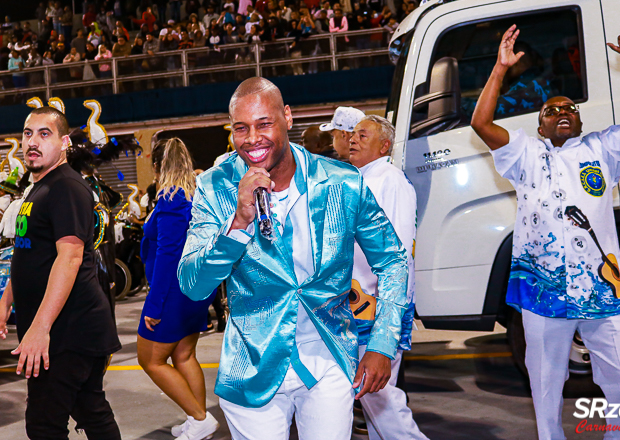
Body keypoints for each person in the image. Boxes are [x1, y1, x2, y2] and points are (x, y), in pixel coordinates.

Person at [178, 77, 409, 440]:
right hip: (252, 364)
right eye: (241, 128)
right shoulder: (214, 187)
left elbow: (393, 260)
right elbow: (193, 285)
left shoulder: (342, 182)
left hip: (329, 356)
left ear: (287, 117)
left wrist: (382, 341)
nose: (252, 139)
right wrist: (238, 223)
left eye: (263, 124)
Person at [470, 27, 620, 440]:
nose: (561, 112)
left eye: (569, 108)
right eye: (550, 110)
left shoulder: (603, 149)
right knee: (545, 383)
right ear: (540, 127)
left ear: (578, 120)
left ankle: (618, 435)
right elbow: (480, 122)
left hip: (601, 287)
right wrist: (500, 69)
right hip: (543, 289)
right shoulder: (524, 153)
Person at [0, 106, 121, 439]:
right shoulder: (39, 188)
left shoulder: (66, 187)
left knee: (43, 424)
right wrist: (6, 300)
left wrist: (40, 328)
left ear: (64, 142)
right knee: (90, 410)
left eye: (44, 133)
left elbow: (69, 258)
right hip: (63, 328)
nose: (33, 142)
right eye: (28, 134)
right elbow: (29, 251)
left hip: (70, 330)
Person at [348, 115, 428, 440]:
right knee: (373, 398)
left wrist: (385, 312)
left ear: (384, 145)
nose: (353, 139)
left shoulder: (388, 179)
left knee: (377, 394)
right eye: (352, 134)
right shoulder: (365, 178)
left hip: (377, 306)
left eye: (362, 135)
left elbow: (396, 256)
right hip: (360, 305)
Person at [137, 138, 220, 440]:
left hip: (173, 291)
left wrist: (155, 304)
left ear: (157, 166)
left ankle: (200, 418)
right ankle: (196, 419)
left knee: (150, 360)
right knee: (184, 356)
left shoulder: (171, 199)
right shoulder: (197, 195)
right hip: (194, 289)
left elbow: (167, 255)